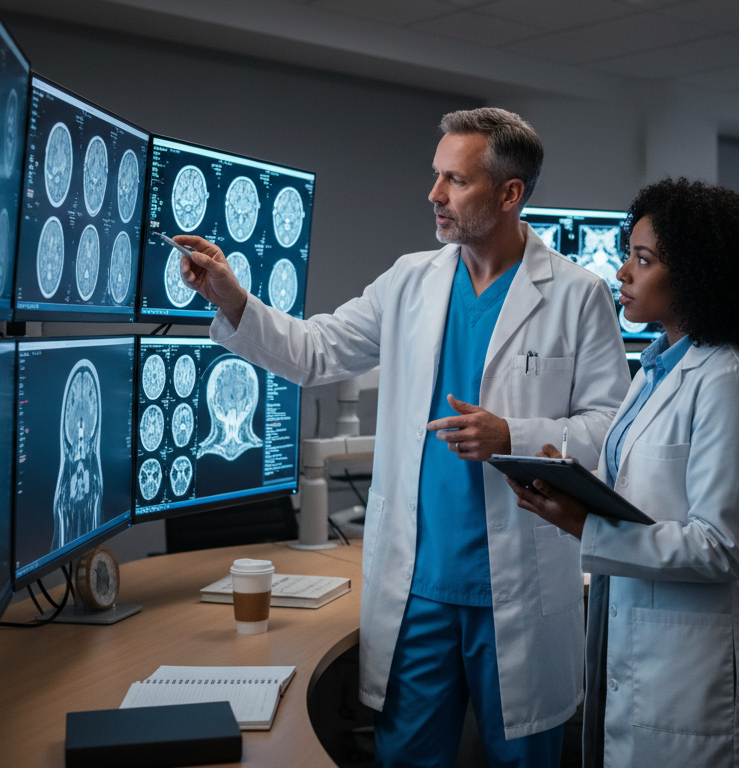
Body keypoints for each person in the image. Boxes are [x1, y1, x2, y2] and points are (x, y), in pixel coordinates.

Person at [177, 108, 630, 766]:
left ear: (510, 194)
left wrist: (516, 433)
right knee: (408, 758)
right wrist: (232, 298)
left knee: (523, 759)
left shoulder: (576, 295)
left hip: (520, 585)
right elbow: (315, 352)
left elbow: (612, 430)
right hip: (419, 585)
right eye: (435, 175)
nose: (434, 194)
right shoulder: (410, 280)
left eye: (455, 179)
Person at [507, 177, 739, 767]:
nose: (622, 275)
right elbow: (650, 498)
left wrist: (587, 525)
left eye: (643, 260)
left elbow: (720, 547)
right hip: (643, 637)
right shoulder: (654, 371)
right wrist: (576, 484)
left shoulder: (729, 385)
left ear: (696, 274)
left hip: (697, 668)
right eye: (627, 255)